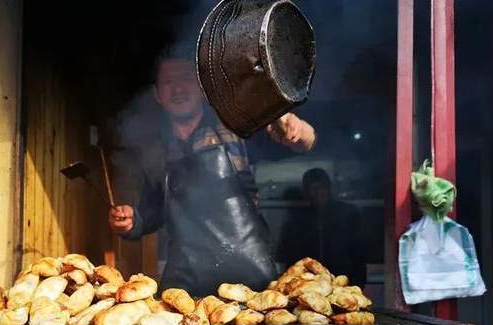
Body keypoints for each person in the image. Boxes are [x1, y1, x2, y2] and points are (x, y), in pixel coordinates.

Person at [108, 48, 316, 295]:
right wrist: (133, 220)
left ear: (201, 88)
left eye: (185, 79)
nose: (178, 89)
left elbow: (303, 142)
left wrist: (299, 131)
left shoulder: (236, 127)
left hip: (248, 279)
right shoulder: (158, 151)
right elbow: (152, 210)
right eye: (169, 82)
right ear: (158, 94)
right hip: (185, 283)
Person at [282, 168, 366, 285]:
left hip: (343, 281)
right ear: (306, 192)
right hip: (309, 284)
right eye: (313, 189)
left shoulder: (349, 214)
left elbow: (359, 253)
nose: (318, 192)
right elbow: (291, 258)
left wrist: (358, 284)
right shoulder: (298, 220)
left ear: (329, 188)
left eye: (322, 187)